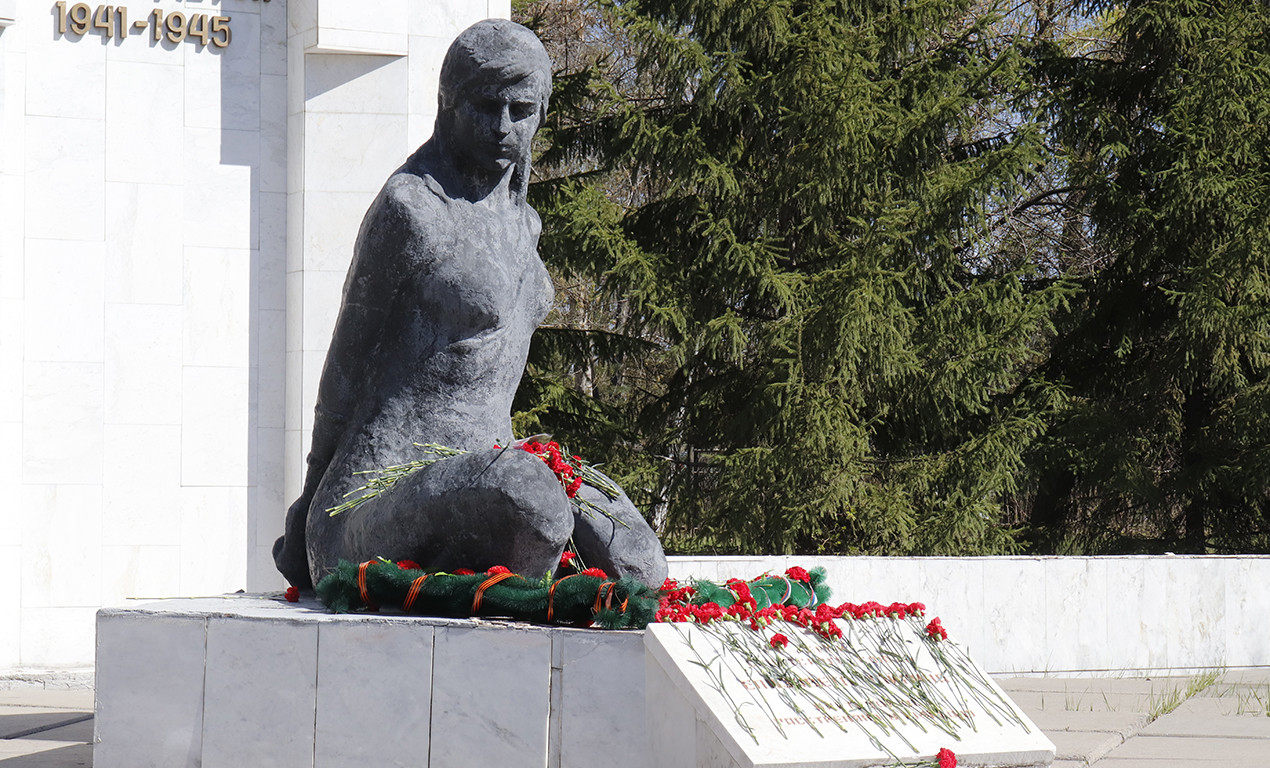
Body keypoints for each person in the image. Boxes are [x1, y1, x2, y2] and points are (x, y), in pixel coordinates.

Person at [273, 20, 666, 591]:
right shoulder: (410, 209)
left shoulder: (524, 224)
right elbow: (346, 361)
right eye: (485, 105)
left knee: (638, 560)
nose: (504, 126)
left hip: (488, 465)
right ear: (447, 104)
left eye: (522, 110)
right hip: (372, 498)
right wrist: (310, 498)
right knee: (535, 506)